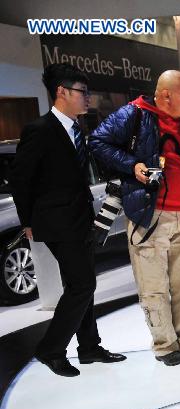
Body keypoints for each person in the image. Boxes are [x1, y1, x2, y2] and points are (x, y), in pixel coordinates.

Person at [89, 70, 180, 366]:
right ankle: (165, 345)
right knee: (154, 285)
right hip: (149, 215)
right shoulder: (135, 113)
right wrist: (132, 165)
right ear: (166, 94)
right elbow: (97, 142)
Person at [9, 64, 126, 377]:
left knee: (82, 283)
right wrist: (27, 220)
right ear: (62, 92)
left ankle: (89, 347)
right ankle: (50, 349)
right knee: (82, 284)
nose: (87, 98)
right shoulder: (41, 129)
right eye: (82, 92)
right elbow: (21, 179)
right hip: (58, 221)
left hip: (80, 219)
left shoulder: (75, 129)